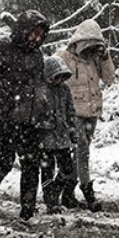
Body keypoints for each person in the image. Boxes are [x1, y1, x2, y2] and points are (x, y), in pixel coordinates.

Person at [0, 10, 50, 224]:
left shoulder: (37, 55)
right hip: (3, 117)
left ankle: (28, 212)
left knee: (31, 163)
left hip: (29, 117)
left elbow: (39, 83)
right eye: (33, 34)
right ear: (24, 30)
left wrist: (42, 107)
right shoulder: (1, 48)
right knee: (4, 161)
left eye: (40, 36)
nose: (36, 39)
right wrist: (7, 100)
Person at [57, 19, 114, 211]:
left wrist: (105, 57)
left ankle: (66, 193)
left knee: (80, 154)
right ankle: (88, 192)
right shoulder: (63, 57)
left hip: (92, 112)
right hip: (73, 113)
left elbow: (109, 78)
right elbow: (52, 78)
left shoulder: (95, 60)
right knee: (82, 151)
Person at [37, 56, 77, 215]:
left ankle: (55, 189)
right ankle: (50, 202)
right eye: (56, 76)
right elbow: (36, 114)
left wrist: (73, 130)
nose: (59, 80)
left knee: (67, 167)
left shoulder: (65, 90)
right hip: (45, 137)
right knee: (47, 170)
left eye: (62, 76)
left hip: (62, 136)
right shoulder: (41, 90)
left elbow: (70, 111)